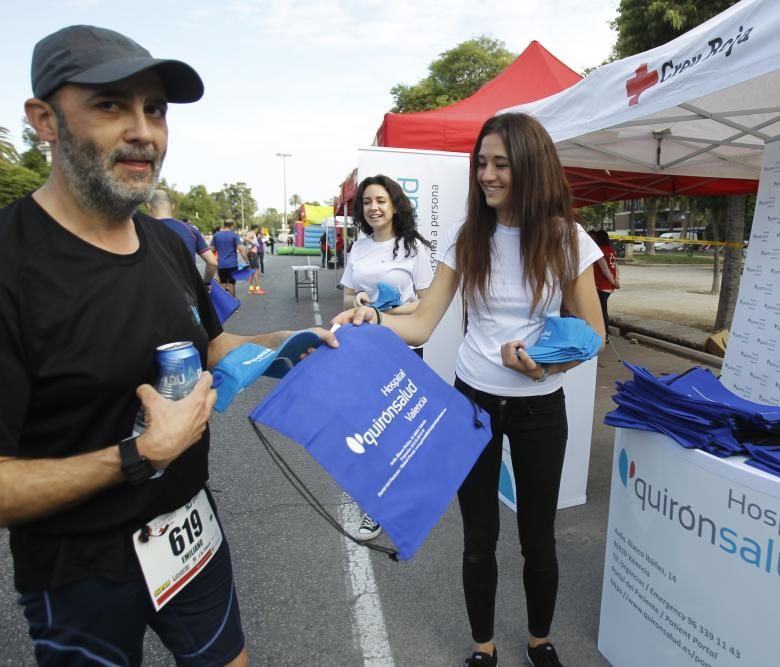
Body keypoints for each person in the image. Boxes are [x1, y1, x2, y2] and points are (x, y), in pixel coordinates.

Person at [0, 25, 335, 667]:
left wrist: (285, 345)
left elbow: (207, 345)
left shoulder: (166, 244)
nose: (143, 131)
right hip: (79, 572)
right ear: (44, 119)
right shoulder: (13, 268)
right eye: (109, 105)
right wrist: (137, 455)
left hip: (188, 535)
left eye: (154, 109)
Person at [335, 113, 605, 667]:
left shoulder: (566, 238)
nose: (487, 175)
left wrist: (547, 368)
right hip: (472, 403)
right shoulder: (469, 237)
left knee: (538, 538)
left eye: (500, 164)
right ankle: (484, 648)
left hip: (540, 410)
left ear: (530, 166)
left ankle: (539, 641)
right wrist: (372, 321)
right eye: (481, 163)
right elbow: (421, 323)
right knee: (478, 539)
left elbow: (593, 335)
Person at [341, 174, 434, 541]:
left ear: (395, 204)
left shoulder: (414, 249)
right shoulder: (359, 248)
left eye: (380, 200)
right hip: (365, 349)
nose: (374, 207)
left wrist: (395, 309)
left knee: (400, 431)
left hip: (403, 348)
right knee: (370, 430)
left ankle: (404, 500)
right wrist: (361, 302)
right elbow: (347, 298)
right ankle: (374, 509)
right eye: (367, 202)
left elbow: (428, 303)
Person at [149, 188, 218, 287]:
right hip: (188, 291)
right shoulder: (190, 229)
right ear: (172, 206)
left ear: (148, 206)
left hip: (154, 292)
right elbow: (212, 263)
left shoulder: (139, 229)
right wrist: (206, 283)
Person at [589, 229, 620, 343]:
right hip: (608, 286)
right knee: (602, 310)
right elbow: (615, 268)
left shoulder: (599, 251)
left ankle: (604, 335)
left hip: (602, 286)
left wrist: (613, 281)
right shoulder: (610, 250)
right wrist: (616, 281)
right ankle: (603, 333)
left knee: (602, 311)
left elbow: (605, 270)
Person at [212, 220, 245, 297]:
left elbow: (212, 249)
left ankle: (224, 305)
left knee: (222, 284)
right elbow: (241, 249)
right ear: (232, 225)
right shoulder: (234, 235)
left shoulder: (216, 235)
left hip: (221, 265)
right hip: (232, 264)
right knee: (231, 284)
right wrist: (246, 260)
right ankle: (233, 306)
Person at [243, 224, 265, 294]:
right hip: (252, 254)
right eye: (258, 229)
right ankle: (257, 288)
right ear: (256, 228)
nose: (258, 230)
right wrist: (253, 244)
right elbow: (246, 238)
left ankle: (251, 288)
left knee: (251, 271)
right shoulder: (251, 233)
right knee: (256, 271)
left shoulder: (252, 234)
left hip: (251, 253)